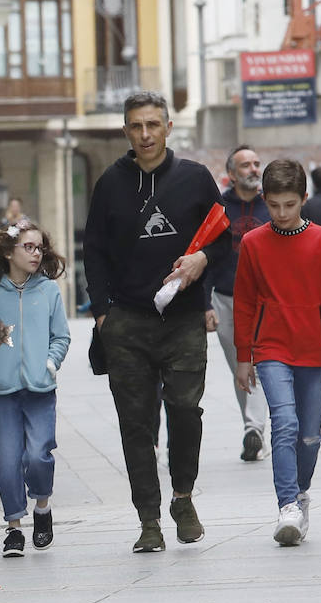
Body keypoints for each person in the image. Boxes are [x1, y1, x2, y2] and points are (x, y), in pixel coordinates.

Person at [83, 90, 231, 553]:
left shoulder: (195, 178)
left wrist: (201, 259)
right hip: (127, 320)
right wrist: (104, 313)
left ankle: (182, 496)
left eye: (153, 124)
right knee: (135, 423)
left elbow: (226, 239)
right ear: (125, 131)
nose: (145, 134)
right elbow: (94, 252)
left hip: (183, 318)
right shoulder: (110, 183)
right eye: (135, 126)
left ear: (168, 127)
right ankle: (148, 519)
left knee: (186, 410)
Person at [233, 159, 321, 546]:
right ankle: (286, 505)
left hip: (314, 349)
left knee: (310, 435)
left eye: (289, 204)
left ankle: (301, 493)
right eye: (273, 206)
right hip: (271, 347)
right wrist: (242, 355)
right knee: (284, 423)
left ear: (303, 198)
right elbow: (245, 302)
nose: (282, 214)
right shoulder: (253, 243)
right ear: (264, 200)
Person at [0, 219, 71, 557]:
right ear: (10, 251)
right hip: (6, 393)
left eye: (39, 248)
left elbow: (61, 336)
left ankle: (42, 509)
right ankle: (14, 528)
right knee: (7, 461)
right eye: (28, 247)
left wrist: (50, 362)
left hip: (41, 390)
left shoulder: (48, 291)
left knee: (38, 456)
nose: (35, 253)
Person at [203, 144, 271, 462]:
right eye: (246, 165)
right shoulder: (217, 208)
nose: (254, 169)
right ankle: (253, 429)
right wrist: (205, 304)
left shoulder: (271, 206)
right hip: (225, 298)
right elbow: (205, 258)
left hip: (264, 302)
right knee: (239, 367)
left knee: (257, 362)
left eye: (257, 164)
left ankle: (253, 429)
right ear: (231, 174)